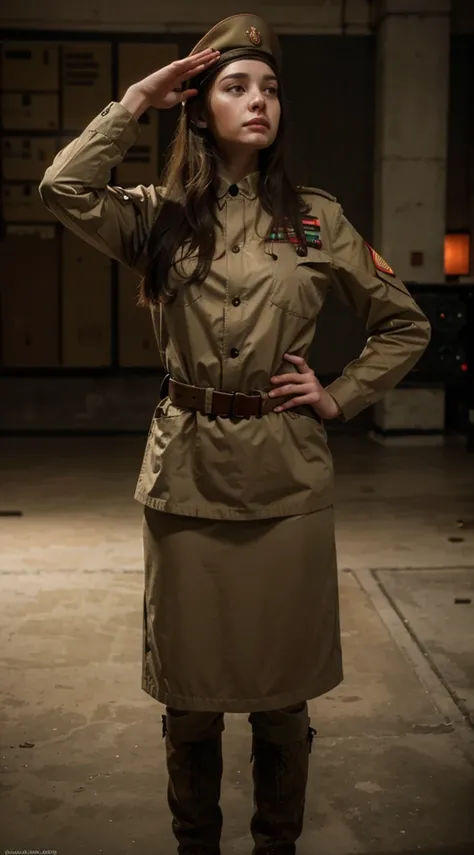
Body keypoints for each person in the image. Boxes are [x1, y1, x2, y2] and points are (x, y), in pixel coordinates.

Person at [39, 12, 431, 855]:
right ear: (199, 104)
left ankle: (276, 844)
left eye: (271, 89)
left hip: (287, 482)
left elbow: (405, 326)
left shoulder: (318, 220)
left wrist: (339, 394)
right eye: (237, 86)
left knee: (284, 697)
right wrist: (138, 98)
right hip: (186, 481)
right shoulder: (159, 217)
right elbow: (62, 190)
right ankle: (196, 844)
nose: (260, 103)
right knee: (190, 697)